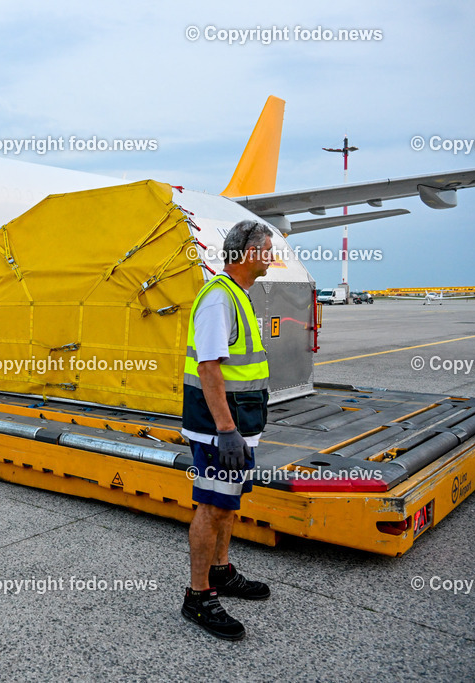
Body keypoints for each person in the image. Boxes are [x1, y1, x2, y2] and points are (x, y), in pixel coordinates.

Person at [181, 220, 273, 641]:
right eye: (267, 249)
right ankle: (197, 596)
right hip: (222, 428)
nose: (271, 257)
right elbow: (209, 367)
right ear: (248, 253)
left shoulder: (239, 295)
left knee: (228, 504)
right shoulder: (219, 298)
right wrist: (226, 430)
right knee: (213, 506)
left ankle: (221, 571)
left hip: (238, 425)